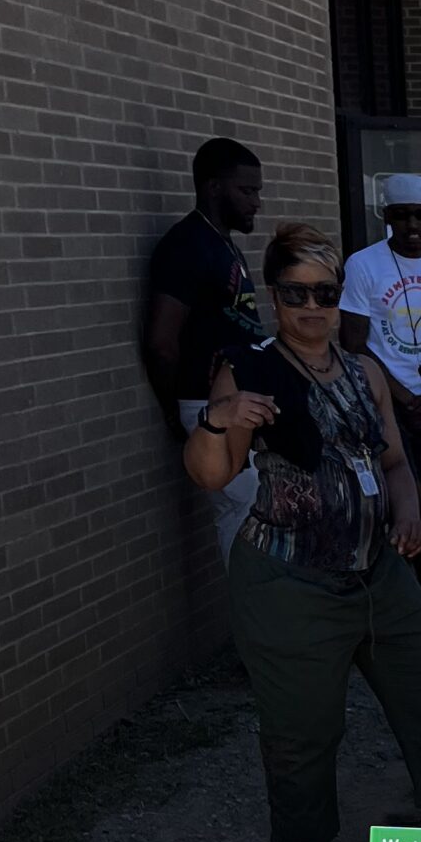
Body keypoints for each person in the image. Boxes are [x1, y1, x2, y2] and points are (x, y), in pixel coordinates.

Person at [182, 225, 421, 842]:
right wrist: (219, 419)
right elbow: (210, 474)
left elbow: (394, 463)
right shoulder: (248, 367)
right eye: (296, 293)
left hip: (376, 571)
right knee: (302, 725)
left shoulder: (364, 369)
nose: (313, 307)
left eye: (326, 292)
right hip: (289, 578)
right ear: (273, 295)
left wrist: (409, 515)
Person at [339, 175, 421, 627]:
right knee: (394, 507)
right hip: (383, 405)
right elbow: (354, 344)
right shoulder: (363, 265)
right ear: (387, 217)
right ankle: (393, 609)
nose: (413, 224)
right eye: (402, 215)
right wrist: (401, 398)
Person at [144, 137, 265, 559]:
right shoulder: (186, 246)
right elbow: (161, 344)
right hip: (209, 408)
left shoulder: (223, 243)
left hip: (242, 405)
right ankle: (252, 623)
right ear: (213, 187)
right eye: (246, 191)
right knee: (246, 524)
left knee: (259, 517)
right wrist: (177, 416)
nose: (256, 203)